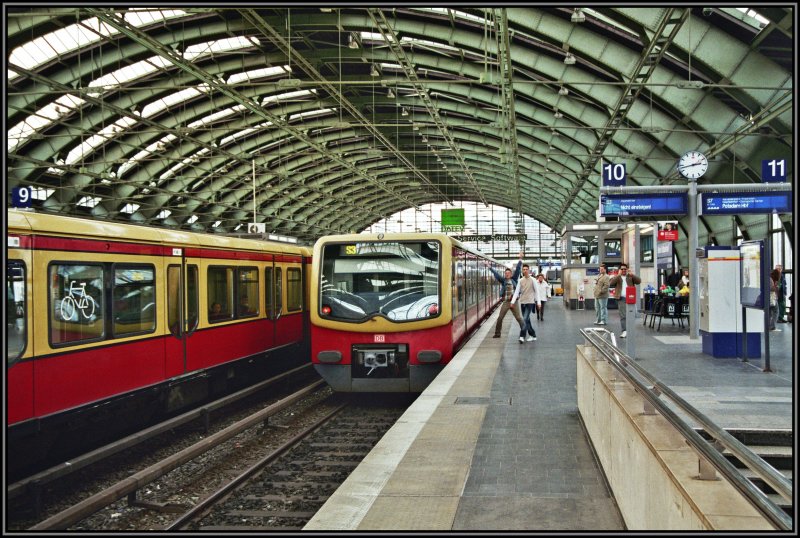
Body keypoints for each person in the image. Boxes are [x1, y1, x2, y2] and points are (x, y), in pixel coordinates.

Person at [489, 252, 524, 338]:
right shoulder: (503, 280)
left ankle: (524, 331)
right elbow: (496, 274)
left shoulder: (514, 279)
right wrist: (489, 267)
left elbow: (518, 269)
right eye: (506, 273)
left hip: (514, 302)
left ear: (511, 274)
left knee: (519, 318)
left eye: (508, 273)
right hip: (506, 302)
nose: (507, 274)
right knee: (500, 318)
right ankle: (497, 333)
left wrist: (520, 259)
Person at [609, 263, 641, 338]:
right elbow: (611, 283)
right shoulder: (618, 277)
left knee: (632, 314)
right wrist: (618, 275)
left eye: (625, 269)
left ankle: (630, 330)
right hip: (621, 298)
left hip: (630, 298)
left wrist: (632, 274)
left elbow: (639, 281)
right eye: (622, 269)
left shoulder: (630, 276)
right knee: (623, 315)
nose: (623, 270)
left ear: (627, 270)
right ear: (620, 270)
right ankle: (624, 331)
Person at [511, 264, 537, 343]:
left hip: (530, 302)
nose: (525, 271)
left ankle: (522, 336)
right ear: (522, 270)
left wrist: (538, 302)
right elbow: (516, 292)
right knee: (527, 321)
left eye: (526, 269)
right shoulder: (520, 280)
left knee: (525, 319)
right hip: (522, 302)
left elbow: (537, 292)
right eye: (524, 269)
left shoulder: (533, 280)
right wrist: (512, 301)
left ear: (529, 270)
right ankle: (533, 335)